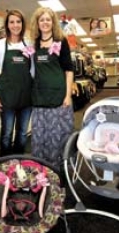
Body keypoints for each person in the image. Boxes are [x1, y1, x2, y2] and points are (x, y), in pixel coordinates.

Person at [30, 7, 74, 168]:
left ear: (53, 22)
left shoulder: (61, 41)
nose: (45, 22)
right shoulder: (34, 43)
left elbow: (69, 70)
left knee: (58, 135)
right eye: (42, 20)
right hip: (40, 96)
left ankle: (58, 170)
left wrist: (68, 95)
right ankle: (40, 169)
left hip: (59, 95)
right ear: (37, 23)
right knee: (40, 135)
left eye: (48, 19)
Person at [0, 9, 34, 156]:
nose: (15, 25)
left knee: (22, 134)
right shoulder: (0, 45)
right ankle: (3, 163)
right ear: (7, 25)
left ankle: (18, 162)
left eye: (18, 21)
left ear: (22, 24)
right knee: (7, 133)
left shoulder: (29, 45)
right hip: (7, 97)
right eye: (12, 22)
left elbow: (32, 70)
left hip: (26, 97)